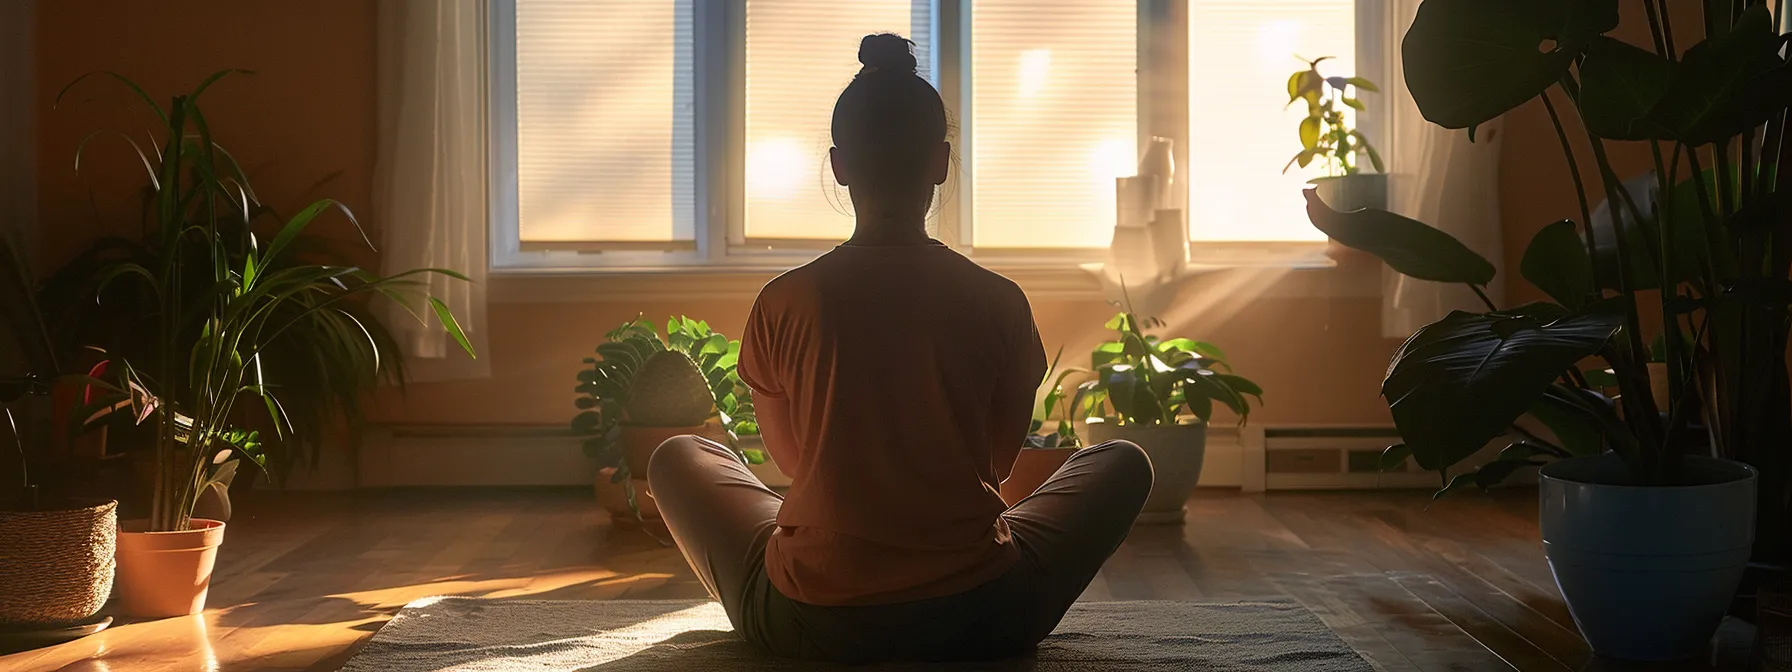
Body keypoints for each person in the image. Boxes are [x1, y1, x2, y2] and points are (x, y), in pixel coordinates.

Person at [647, 32, 1154, 664]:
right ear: (941, 163)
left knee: (677, 456)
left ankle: (827, 544)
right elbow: (996, 464)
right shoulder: (999, 300)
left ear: (839, 165)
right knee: (1125, 462)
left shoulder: (785, 300)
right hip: (982, 615)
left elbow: (792, 465)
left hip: (807, 619)